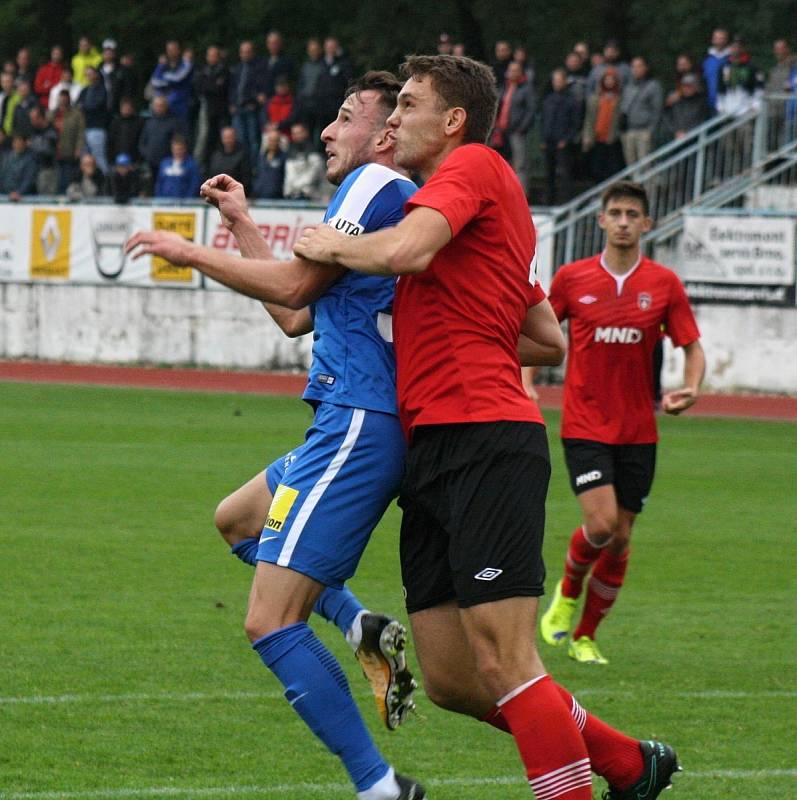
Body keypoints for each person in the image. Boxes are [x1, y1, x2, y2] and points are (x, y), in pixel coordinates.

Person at [294, 54, 681, 800]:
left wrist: (328, 243)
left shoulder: (470, 167)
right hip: (432, 446)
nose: (393, 119)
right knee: (451, 679)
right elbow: (544, 337)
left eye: (406, 106)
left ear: (452, 121)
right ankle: (630, 763)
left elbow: (406, 253)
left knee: (506, 661)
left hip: (484, 438)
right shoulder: (458, 203)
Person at [126, 71, 425, 800]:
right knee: (237, 519)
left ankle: (379, 787)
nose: (327, 129)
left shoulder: (373, 182)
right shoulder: (377, 198)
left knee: (269, 621)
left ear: (385, 133)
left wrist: (190, 250)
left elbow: (293, 290)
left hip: (358, 421)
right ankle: (358, 625)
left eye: (346, 116)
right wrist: (242, 225)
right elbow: (299, 310)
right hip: (348, 418)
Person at [538, 180, 705, 668]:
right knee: (602, 523)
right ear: (602, 221)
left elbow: (691, 347)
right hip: (585, 423)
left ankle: (585, 636)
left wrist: (691, 387)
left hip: (639, 430)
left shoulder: (663, 284)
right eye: (617, 213)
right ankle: (567, 594)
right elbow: (541, 329)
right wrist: (525, 381)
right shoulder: (572, 279)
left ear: (647, 224)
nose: (625, 221)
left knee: (622, 537)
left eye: (634, 214)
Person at [618, 56, 663, 166]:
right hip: (628, 131)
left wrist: (651, 131)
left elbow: (657, 111)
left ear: (645, 68)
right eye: (633, 66)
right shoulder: (628, 86)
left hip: (644, 131)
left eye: (639, 66)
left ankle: (648, 184)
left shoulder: (653, 86)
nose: (636, 69)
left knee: (645, 166)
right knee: (631, 165)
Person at [582, 68, 625, 183]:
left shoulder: (620, 99)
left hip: (613, 139)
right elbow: (589, 119)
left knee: (613, 168)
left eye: (612, 79)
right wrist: (587, 136)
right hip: (597, 138)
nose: (609, 82)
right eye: (607, 79)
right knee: (596, 168)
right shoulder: (595, 98)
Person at [153, 134, 202, 198]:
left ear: (184, 148)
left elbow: (194, 185)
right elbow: (159, 183)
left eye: (179, 149)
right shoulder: (164, 163)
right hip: (164, 203)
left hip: (183, 204)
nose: (177, 151)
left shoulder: (192, 165)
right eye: (175, 149)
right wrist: (159, 199)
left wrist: (188, 201)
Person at [702, 28, 730, 112]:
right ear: (712, 40)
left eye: (722, 38)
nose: (719, 41)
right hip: (708, 104)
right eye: (716, 38)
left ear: (726, 40)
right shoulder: (706, 59)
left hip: (727, 103)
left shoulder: (730, 59)